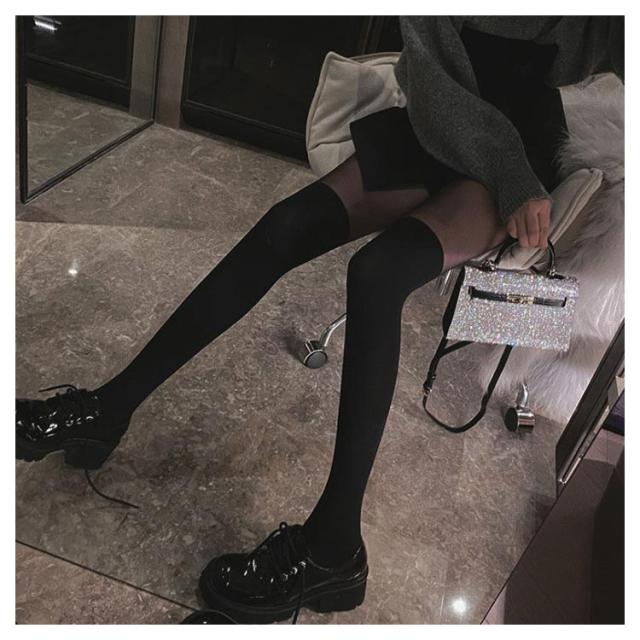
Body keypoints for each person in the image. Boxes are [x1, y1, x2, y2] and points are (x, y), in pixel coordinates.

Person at [16, 16, 623, 625]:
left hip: (519, 152)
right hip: (441, 125)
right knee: (285, 226)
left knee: (378, 273)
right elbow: (430, 66)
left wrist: (524, 172)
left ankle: (334, 548)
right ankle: (109, 408)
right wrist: (503, 162)